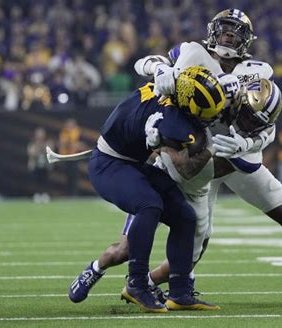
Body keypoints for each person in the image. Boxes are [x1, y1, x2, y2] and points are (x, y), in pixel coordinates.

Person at [72, 8, 282, 303]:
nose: (229, 35)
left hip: (236, 155)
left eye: (236, 31)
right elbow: (149, 63)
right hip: (193, 157)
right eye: (225, 28)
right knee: (176, 241)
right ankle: (138, 280)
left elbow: (268, 126)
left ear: (246, 40)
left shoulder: (258, 71)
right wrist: (161, 71)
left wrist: (247, 146)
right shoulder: (191, 53)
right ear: (213, 30)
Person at [70, 66, 226, 312]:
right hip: (109, 164)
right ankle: (136, 283)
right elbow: (186, 169)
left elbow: (152, 63)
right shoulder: (172, 120)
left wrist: (162, 68)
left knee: (186, 216)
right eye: (206, 113)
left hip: (131, 163)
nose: (210, 118)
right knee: (149, 205)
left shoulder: (173, 84)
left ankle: (180, 291)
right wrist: (211, 149)